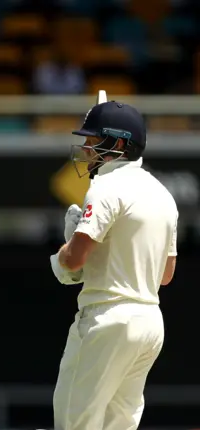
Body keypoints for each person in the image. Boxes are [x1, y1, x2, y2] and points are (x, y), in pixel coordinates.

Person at [49, 101, 178, 429]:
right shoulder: (163, 194)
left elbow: (74, 261)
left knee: (75, 423)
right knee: (119, 425)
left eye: (94, 141)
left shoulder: (105, 188)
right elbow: (166, 275)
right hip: (150, 322)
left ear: (118, 144)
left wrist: (68, 244)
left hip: (108, 318)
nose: (87, 148)